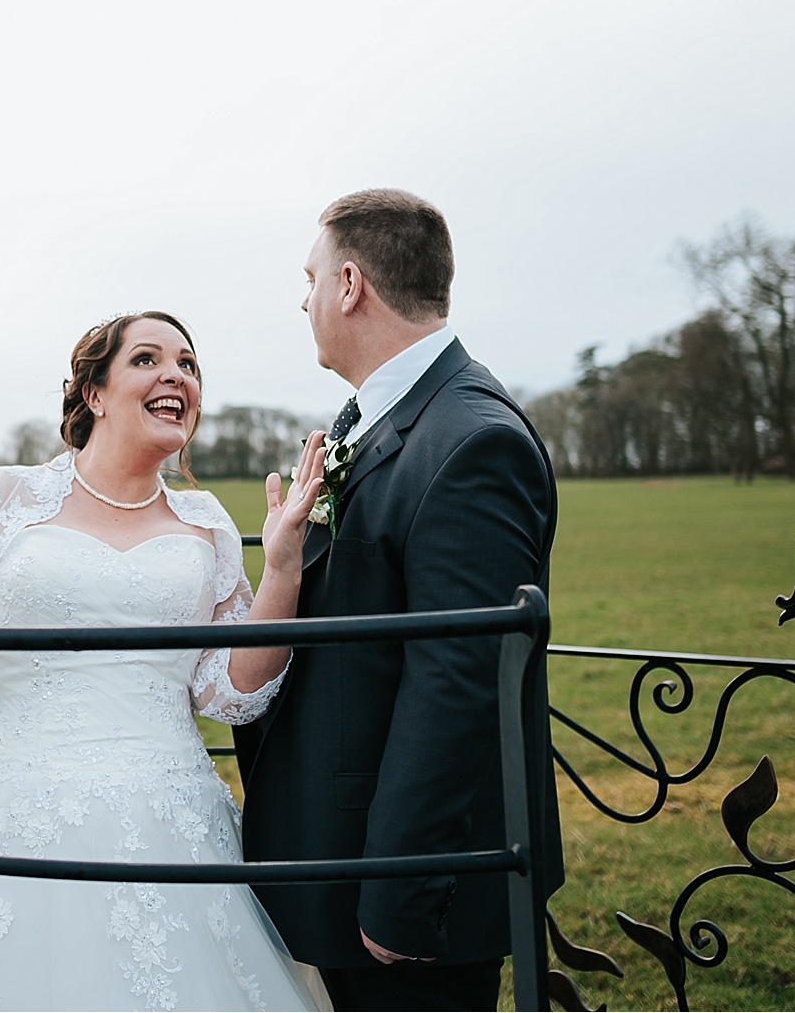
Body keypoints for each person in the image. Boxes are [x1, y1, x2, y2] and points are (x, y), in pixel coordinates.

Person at [0, 311, 334, 1012]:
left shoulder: (206, 524)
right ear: (94, 393)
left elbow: (231, 693)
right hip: (4, 825)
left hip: (173, 833)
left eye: (188, 364)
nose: (175, 373)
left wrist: (283, 568)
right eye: (147, 359)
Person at [233, 189, 563, 1013]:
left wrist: (401, 894)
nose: (302, 299)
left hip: (401, 896)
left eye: (308, 278)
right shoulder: (375, 420)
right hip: (339, 854)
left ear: (349, 285)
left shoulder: (471, 440)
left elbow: (460, 681)